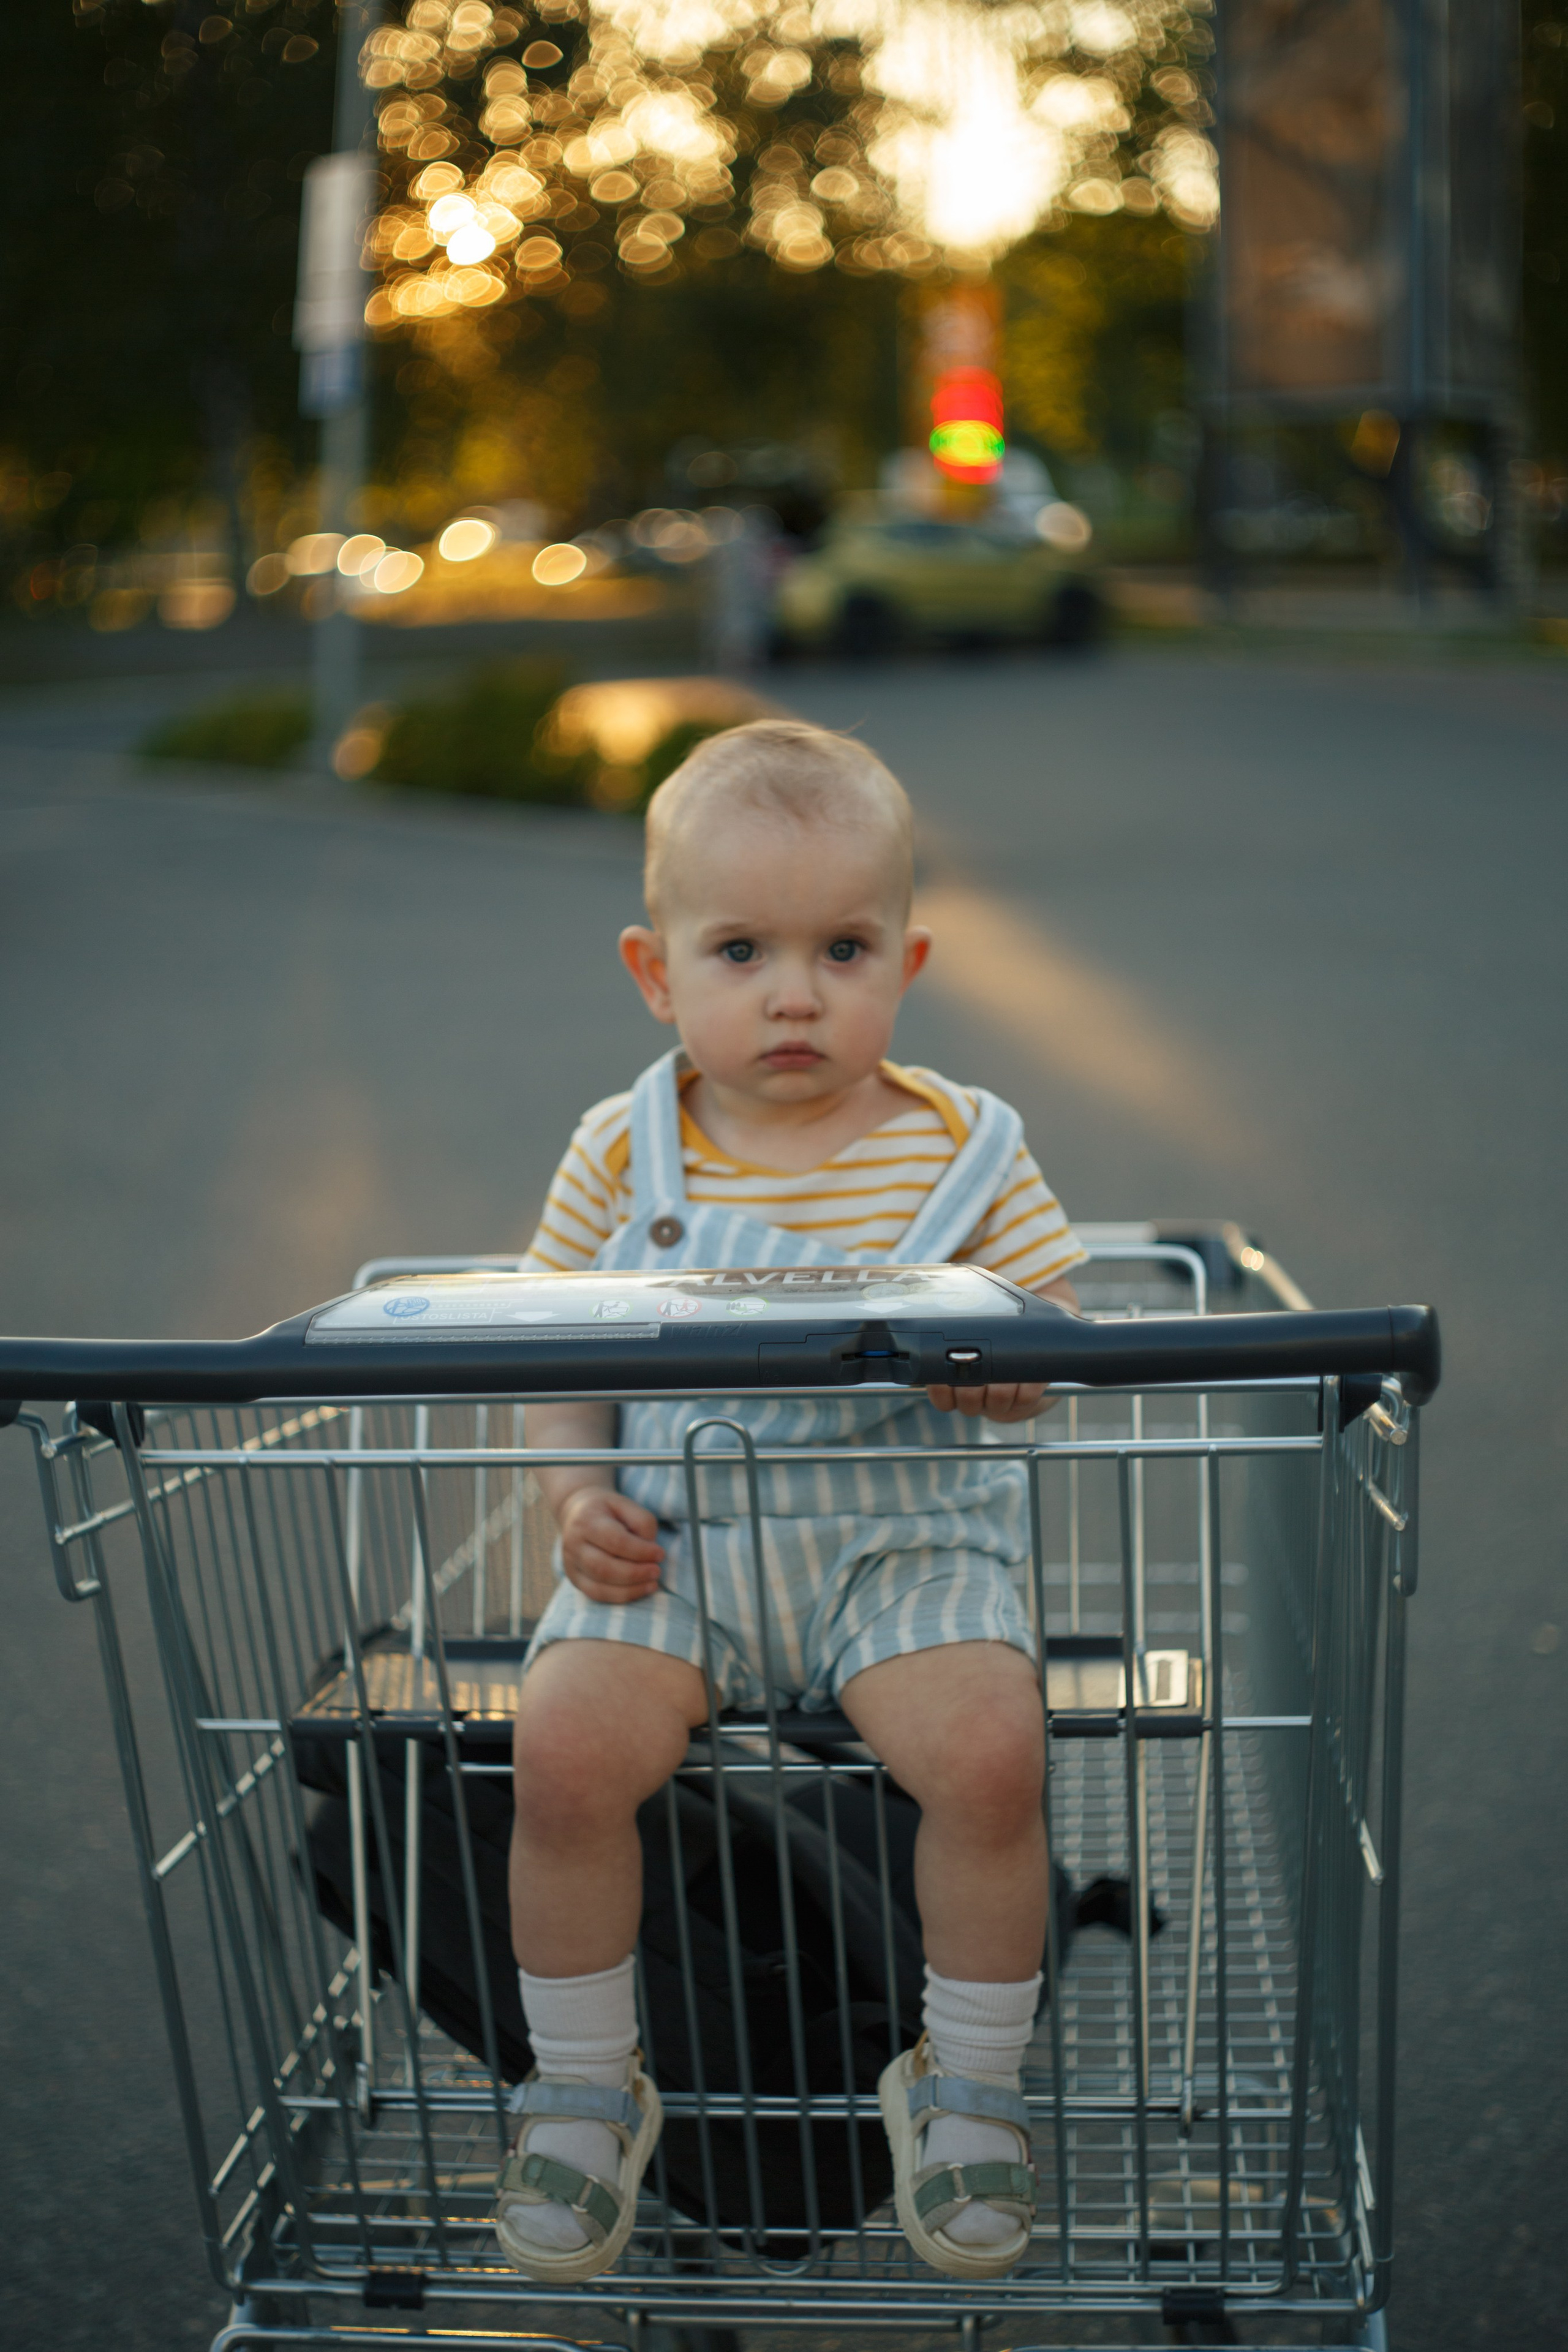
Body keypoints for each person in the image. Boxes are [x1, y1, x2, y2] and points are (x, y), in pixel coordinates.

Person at [494, 720, 1085, 2285]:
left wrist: (1012, 1368)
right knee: (560, 1751)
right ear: (654, 971)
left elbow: (1057, 1324)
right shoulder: (618, 1153)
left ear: (908, 961)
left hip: (901, 1549)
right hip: (674, 1549)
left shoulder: (962, 1152)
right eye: (740, 950)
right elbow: (546, 1354)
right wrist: (572, 1492)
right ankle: (581, 2089)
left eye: (842, 950)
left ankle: (966, 2086)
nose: (794, 995)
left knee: (989, 1751)